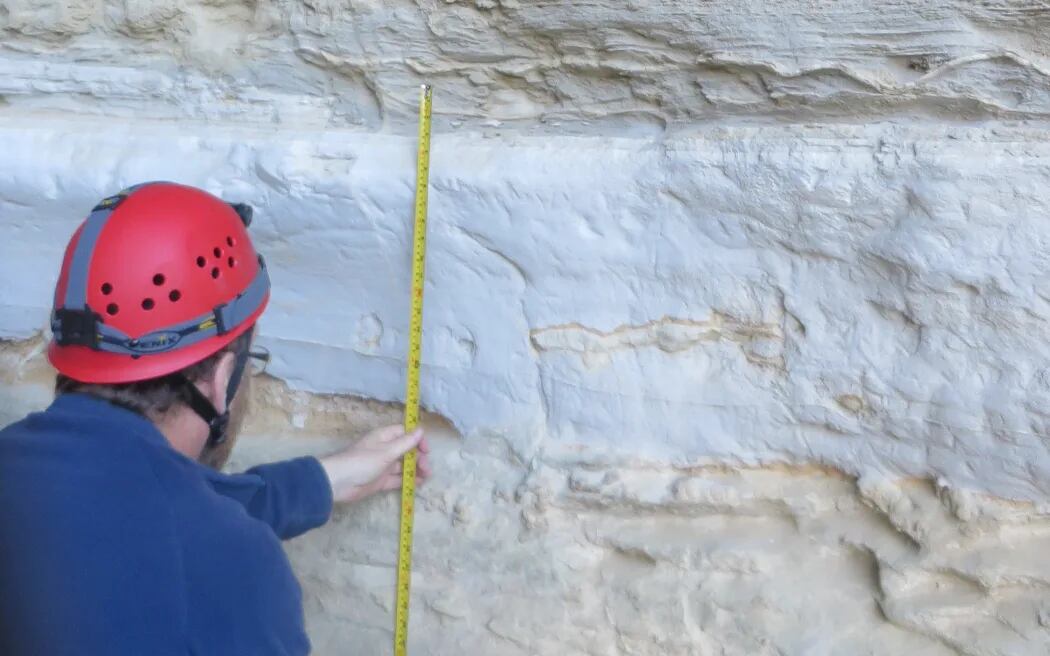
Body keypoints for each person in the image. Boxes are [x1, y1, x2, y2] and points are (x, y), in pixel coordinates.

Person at [0, 182, 431, 655]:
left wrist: (320, 481)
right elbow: (181, 534)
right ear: (222, 376)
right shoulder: (232, 567)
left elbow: (130, 510)